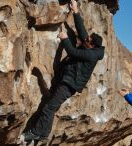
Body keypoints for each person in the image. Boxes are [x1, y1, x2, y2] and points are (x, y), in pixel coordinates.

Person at [22, 0, 104, 142]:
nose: (85, 39)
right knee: (50, 107)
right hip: (66, 80)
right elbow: (82, 30)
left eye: (88, 40)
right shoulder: (91, 46)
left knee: (49, 108)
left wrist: (64, 39)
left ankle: (36, 133)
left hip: (69, 85)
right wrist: (76, 11)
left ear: (91, 45)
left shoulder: (91, 55)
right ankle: (43, 135)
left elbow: (72, 52)